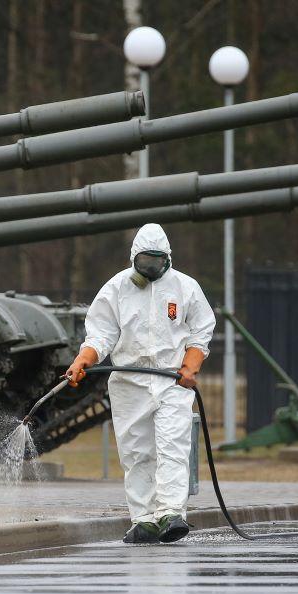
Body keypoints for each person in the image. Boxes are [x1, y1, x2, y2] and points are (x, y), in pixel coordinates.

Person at [66, 223, 215, 544]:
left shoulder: (185, 288)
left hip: (172, 380)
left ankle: (171, 513)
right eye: (145, 262)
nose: (151, 269)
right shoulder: (117, 288)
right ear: (134, 258)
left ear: (168, 260)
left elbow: (201, 330)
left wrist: (190, 367)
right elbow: (101, 333)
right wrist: (84, 360)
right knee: (136, 451)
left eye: (157, 263)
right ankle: (144, 519)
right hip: (129, 383)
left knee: (173, 446)